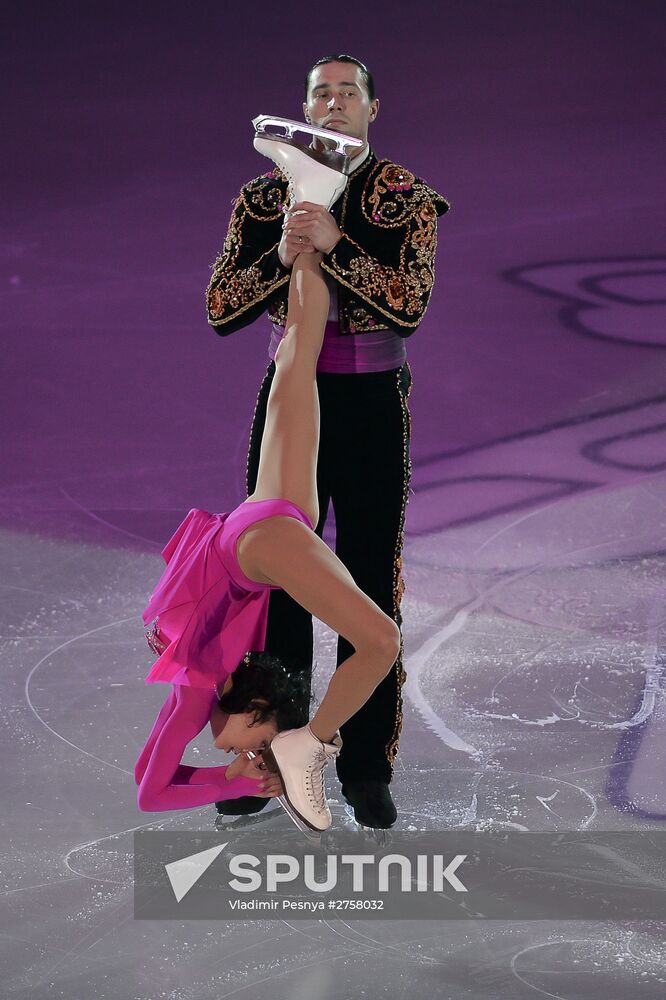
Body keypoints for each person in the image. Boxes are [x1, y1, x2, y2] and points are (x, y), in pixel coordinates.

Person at [206, 54, 450, 827]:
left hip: (373, 404)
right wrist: (280, 256)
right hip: (291, 400)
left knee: (370, 580)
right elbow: (220, 305)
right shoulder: (262, 196)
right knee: (274, 579)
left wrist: (337, 244)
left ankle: (365, 765)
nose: (336, 102)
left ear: (375, 107)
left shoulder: (406, 198)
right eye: (322, 92)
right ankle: (266, 754)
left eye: (350, 92)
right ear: (306, 107)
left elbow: (409, 305)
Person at [136, 145, 402, 830]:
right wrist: (242, 776)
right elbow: (155, 782)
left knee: (377, 643)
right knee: (298, 351)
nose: (247, 762)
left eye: (257, 755)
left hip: (256, 541)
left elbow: (151, 788)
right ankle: (309, 198)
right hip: (263, 525)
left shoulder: (198, 693)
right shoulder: (206, 693)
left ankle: (308, 747)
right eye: (262, 755)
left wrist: (236, 780)